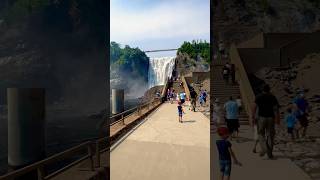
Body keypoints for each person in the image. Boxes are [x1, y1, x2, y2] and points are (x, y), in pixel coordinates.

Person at [252, 84, 280, 159]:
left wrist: (253, 117)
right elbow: (276, 109)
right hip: (271, 118)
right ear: (269, 89)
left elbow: (254, 107)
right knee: (270, 135)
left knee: (261, 133)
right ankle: (270, 153)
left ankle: (264, 148)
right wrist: (278, 119)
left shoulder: (258, 96)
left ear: (262, 90)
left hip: (261, 118)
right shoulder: (273, 97)